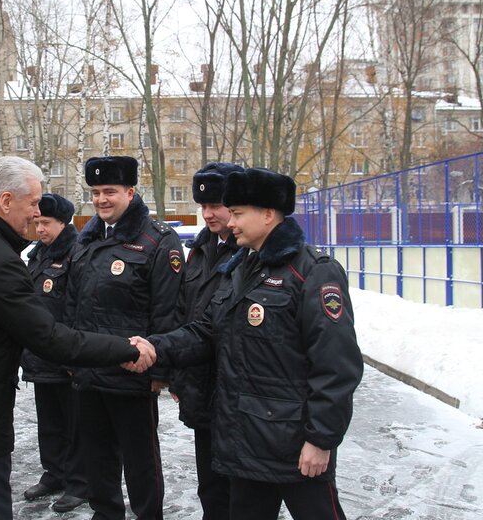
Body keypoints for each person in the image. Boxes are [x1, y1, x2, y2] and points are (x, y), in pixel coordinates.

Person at [0, 155, 153, 520]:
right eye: (33, 202)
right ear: (6, 201)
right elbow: (50, 339)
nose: (38, 213)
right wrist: (125, 347)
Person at [131, 168, 364, 520]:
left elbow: (337, 365)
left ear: (268, 214)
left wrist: (321, 440)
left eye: (238, 213)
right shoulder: (242, 267)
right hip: (244, 439)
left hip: (293, 444)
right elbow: (206, 331)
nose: (231, 222)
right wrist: (153, 347)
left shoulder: (313, 271)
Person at [63, 156, 185, 520]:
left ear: (130, 192)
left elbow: (169, 311)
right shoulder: (84, 241)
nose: (101, 199)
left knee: (141, 463)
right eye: (96, 192)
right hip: (89, 371)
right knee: (97, 460)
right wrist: (72, 357)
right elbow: (71, 305)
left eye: (110, 192)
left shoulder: (158, 241)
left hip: (133, 375)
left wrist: (160, 371)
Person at [169, 162, 243, 519]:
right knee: (210, 484)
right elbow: (186, 313)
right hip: (201, 382)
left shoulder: (252, 251)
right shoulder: (200, 250)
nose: (209, 214)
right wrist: (177, 375)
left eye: (217, 205)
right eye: (204, 206)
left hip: (237, 390)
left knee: (242, 489)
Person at [20, 193, 87, 513]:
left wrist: (75, 355)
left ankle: (78, 482)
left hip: (67, 356)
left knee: (75, 423)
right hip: (41, 354)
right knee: (49, 421)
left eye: (46, 223)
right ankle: (54, 473)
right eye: (37, 222)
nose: (40, 229)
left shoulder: (77, 253)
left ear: (64, 223)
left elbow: (79, 307)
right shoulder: (37, 255)